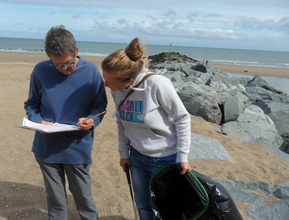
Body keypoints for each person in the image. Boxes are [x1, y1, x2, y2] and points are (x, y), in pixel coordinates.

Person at [101, 38, 191, 220]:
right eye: (105, 80)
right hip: (136, 157)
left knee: (167, 209)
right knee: (143, 206)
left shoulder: (157, 84)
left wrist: (183, 156)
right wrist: (123, 154)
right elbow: (120, 122)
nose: (105, 85)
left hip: (164, 159)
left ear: (130, 79)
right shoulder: (116, 89)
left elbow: (182, 118)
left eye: (109, 81)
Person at [24, 25, 107, 220]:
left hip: (78, 146)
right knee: (56, 200)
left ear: (77, 51)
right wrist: (39, 121)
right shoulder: (40, 70)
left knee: (84, 198)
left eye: (68, 63)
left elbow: (101, 106)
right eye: (57, 65)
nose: (64, 69)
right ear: (48, 57)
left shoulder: (91, 72)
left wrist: (92, 121)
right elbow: (31, 105)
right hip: (46, 147)